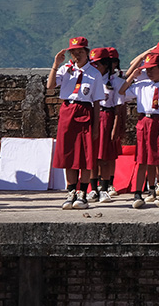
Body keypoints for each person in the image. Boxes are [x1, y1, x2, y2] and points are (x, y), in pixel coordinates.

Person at [47, 37, 104, 210]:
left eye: (80, 51)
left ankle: (83, 193)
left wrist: (95, 127)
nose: (77, 55)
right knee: (68, 154)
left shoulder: (94, 73)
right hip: (67, 111)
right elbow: (50, 86)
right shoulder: (65, 70)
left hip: (85, 110)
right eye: (74, 52)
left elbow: (96, 102)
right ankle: (71, 191)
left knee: (85, 154)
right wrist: (56, 64)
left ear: (87, 52)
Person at [119, 51, 159, 209]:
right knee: (141, 160)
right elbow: (122, 92)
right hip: (144, 122)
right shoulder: (141, 86)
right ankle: (138, 193)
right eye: (147, 69)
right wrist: (132, 76)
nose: (149, 72)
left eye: (152, 68)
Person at [89, 47, 126, 204]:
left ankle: (104, 188)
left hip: (107, 117)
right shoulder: (90, 79)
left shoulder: (116, 82)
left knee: (104, 157)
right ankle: (93, 188)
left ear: (105, 64)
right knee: (92, 157)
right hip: (92, 116)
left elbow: (118, 107)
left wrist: (115, 128)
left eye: (97, 64)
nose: (94, 67)